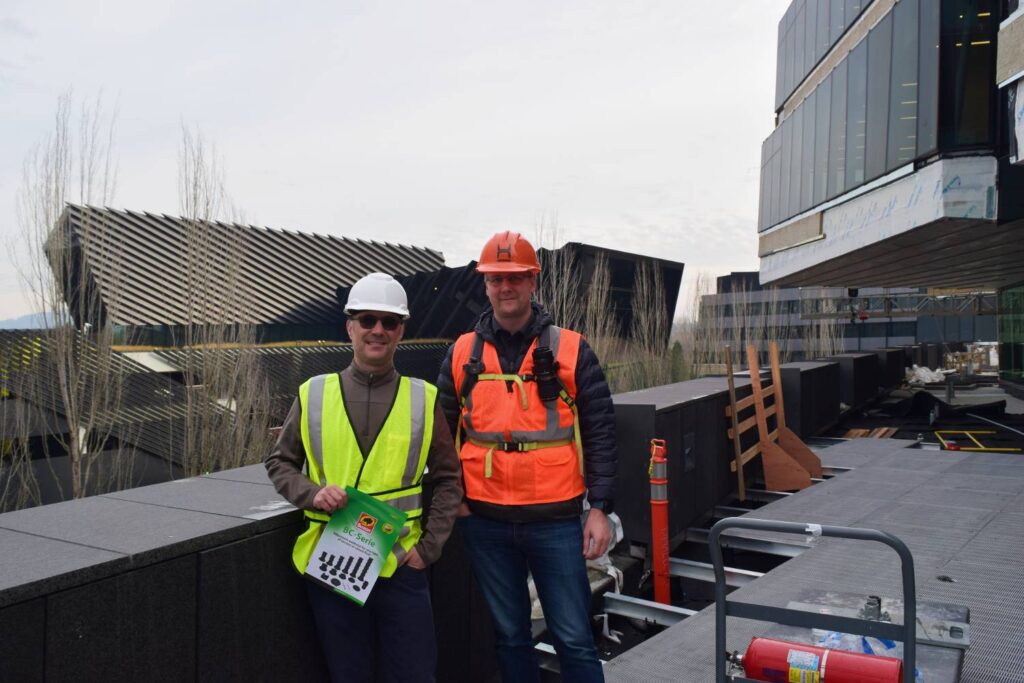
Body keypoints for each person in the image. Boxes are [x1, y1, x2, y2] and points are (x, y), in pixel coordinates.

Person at [436, 232, 617, 683]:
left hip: (555, 521)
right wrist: (454, 498)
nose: (505, 287)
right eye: (496, 279)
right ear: (485, 285)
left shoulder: (571, 348)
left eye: (515, 277)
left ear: (533, 280)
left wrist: (600, 509)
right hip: (485, 521)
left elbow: (601, 433)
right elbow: (441, 434)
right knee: (510, 636)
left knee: (573, 637)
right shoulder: (462, 352)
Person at [265, 272, 462, 683]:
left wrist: (428, 550)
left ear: (401, 331)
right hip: (334, 564)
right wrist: (312, 493)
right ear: (349, 326)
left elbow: (448, 478)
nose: (378, 330)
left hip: (401, 566)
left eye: (389, 322)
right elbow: (280, 462)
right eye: (368, 319)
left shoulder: (423, 398)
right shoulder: (313, 393)